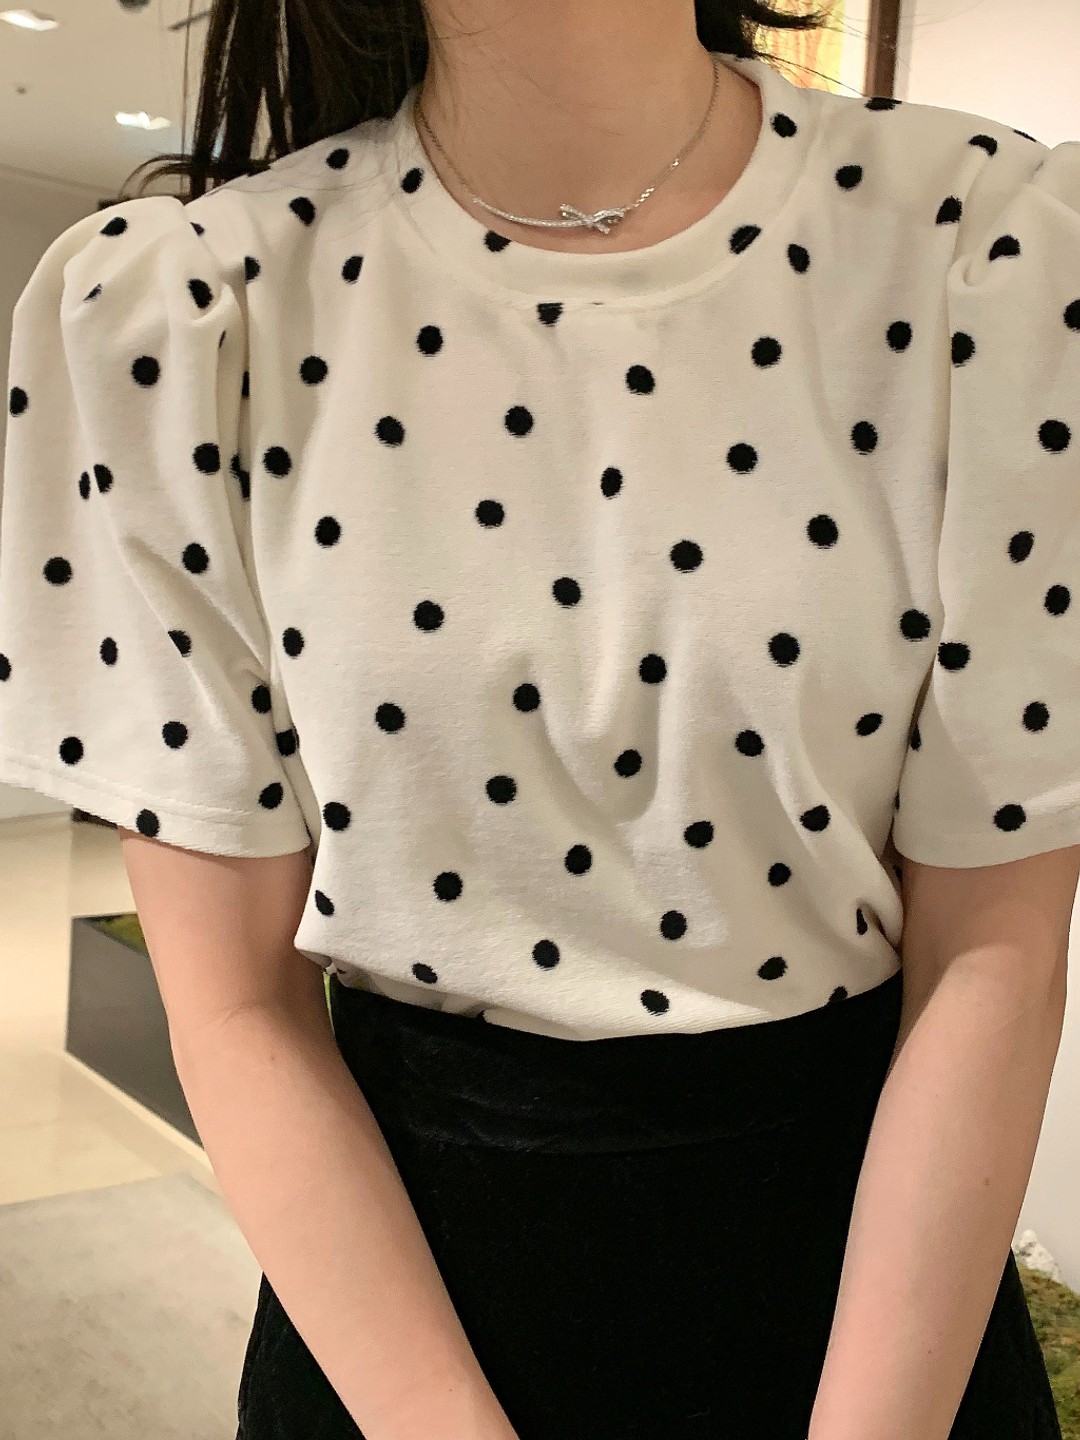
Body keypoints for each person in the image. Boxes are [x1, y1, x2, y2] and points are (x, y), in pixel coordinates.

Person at [0, 0, 1077, 1436]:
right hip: (402, 1326)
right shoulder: (193, 311)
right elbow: (235, 1005)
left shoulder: (991, 251)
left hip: (880, 1322)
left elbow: (992, 953)